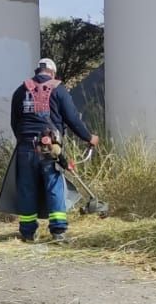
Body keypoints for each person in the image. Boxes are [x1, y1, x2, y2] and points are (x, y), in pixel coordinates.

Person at [10, 58, 98, 241]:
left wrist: (25, 141)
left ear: (37, 72)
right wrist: (89, 138)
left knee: (27, 188)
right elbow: (72, 119)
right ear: (52, 73)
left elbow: (14, 122)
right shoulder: (58, 89)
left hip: (25, 147)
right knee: (54, 187)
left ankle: (27, 233)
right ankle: (58, 231)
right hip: (49, 148)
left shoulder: (20, 91)